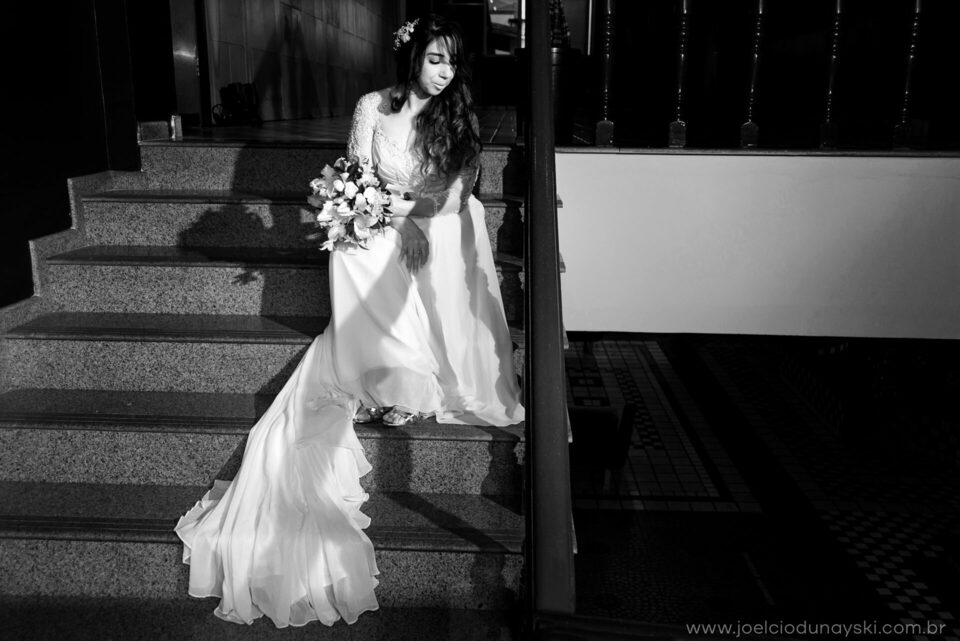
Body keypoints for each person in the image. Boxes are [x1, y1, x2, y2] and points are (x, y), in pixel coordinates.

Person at [174, 14, 524, 629]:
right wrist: (377, 213)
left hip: (440, 222)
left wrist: (406, 216)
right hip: (388, 217)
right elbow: (357, 173)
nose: (444, 73)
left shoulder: (457, 113)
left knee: (423, 233)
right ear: (411, 58)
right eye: (434, 59)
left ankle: (408, 374)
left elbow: (455, 194)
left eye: (452, 61)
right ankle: (375, 371)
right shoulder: (371, 106)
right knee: (356, 241)